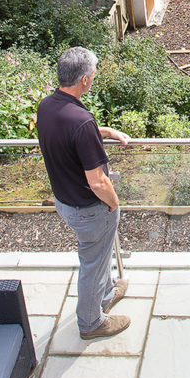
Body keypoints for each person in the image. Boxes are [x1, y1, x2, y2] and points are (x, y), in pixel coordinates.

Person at [38, 46, 133, 340]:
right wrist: (114, 204)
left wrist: (104, 131)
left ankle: (105, 294)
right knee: (92, 264)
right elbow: (98, 182)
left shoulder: (48, 106)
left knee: (98, 256)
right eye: (92, 74)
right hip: (89, 209)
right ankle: (91, 322)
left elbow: (73, 133)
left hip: (65, 202)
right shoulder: (80, 122)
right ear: (84, 81)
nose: (93, 77)